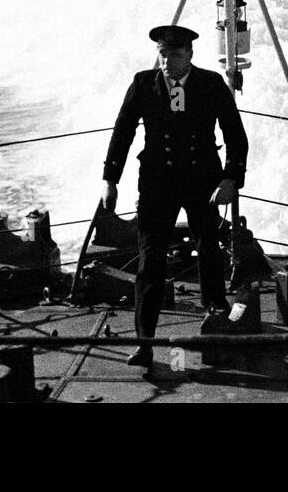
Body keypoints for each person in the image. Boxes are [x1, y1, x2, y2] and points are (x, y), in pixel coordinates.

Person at [101, 24, 248, 368]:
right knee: (150, 260)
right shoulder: (142, 84)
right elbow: (122, 133)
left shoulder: (210, 84)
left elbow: (235, 135)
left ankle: (217, 314)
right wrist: (110, 179)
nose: (167, 62)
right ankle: (144, 342)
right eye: (163, 54)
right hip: (157, 184)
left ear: (190, 56)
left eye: (176, 55)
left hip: (202, 181)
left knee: (209, 247)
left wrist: (231, 179)